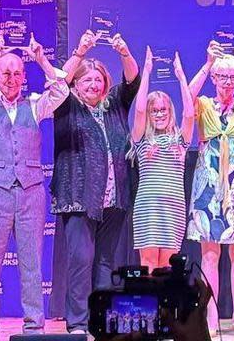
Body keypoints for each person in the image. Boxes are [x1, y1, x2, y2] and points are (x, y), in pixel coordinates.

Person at [0, 35, 69, 341]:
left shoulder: (34, 105)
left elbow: (61, 91)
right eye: (5, 72)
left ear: (24, 76)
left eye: (17, 73)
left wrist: (42, 59)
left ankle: (34, 327)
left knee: (32, 265)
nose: (11, 79)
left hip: (31, 192)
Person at [52, 30, 140, 335]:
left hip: (114, 199)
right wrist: (79, 51)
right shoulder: (67, 105)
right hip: (78, 196)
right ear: (76, 84)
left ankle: (99, 321)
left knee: (104, 262)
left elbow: (132, 81)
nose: (93, 84)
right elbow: (56, 83)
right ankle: (76, 323)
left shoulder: (114, 104)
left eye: (97, 79)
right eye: (86, 80)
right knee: (81, 259)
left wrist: (125, 53)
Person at [185, 39, 234, 337]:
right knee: (209, 254)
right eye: (223, 76)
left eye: (233, 77)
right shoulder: (204, 104)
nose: (228, 82)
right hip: (208, 183)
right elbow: (186, 96)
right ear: (215, 78)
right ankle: (211, 315)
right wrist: (207, 64)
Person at [129, 46, 194, 270]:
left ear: (170, 111)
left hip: (173, 207)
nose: (159, 114)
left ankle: (164, 307)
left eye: (163, 109)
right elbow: (137, 111)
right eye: (154, 110)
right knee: (147, 264)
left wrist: (181, 76)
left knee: (167, 268)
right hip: (148, 206)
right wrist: (146, 71)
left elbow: (190, 113)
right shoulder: (141, 139)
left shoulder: (180, 140)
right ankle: (148, 306)